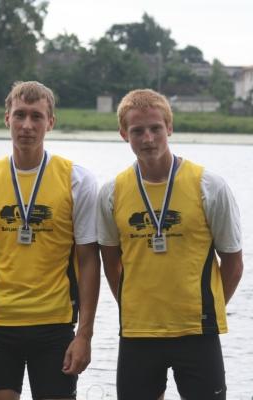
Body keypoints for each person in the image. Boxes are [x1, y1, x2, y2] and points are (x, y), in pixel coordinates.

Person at [97, 88, 243, 400]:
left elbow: (233, 262)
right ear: (124, 134)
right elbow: (110, 262)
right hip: (138, 331)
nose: (148, 138)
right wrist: (134, 306)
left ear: (170, 128)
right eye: (137, 131)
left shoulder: (209, 186)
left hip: (197, 330)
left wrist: (208, 307)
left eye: (155, 128)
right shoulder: (112, 192)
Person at [0, 81, 100, 400]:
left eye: (36, 116)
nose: (27, 125)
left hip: (56, 324)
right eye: (20, 115)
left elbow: (89, 261)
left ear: (50, 122)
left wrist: (85, 335)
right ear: (6, 118)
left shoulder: (77, 180)